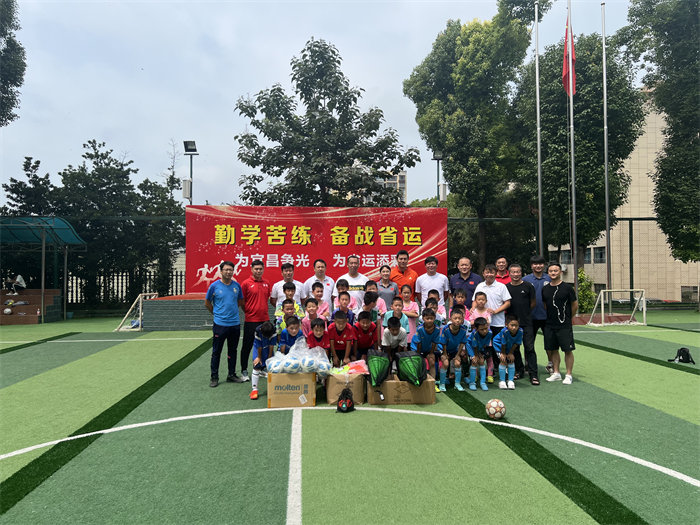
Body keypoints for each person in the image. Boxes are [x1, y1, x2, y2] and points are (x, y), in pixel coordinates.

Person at [204, 261, 244, 387]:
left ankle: (231, 374)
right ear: (221, 271)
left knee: (233, 351)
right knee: (216, 352)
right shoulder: (214, 286)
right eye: (226, 269)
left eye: (230, 270)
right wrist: (217, 314)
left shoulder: (237, 286)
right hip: (220, 325)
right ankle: (214, 377)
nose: (228, 272)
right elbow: (207, 303)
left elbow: (240, 301)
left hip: (235, 324)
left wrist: (231, 311)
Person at [541, 262, 578, 384]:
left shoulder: (567, 288)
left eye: (555, 271)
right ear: (548, 273)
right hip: (549, 324)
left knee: (567, 350)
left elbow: (574, 305)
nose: (553, 273)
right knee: (553, 349)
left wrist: (568, 318)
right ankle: (556, 373)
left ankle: (568, 374)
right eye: (551, 271)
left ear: (560, 272)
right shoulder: (545, 289)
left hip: (564, 325)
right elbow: (546, 305)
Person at [474, 263, 511, 383]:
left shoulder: (501, 286)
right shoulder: (480, 286)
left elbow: (507, 303)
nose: (489, 274)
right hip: (483, 325)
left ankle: (504, 370)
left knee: (499, 348)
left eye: (492, 272)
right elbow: (475, 301)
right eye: (487, 272)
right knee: (486, 349)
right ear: (483, 273)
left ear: (496, 274)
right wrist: (473, 311)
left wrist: (495, 311)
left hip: (498, 323)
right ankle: (490, 371)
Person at [506, 263, 538, 385]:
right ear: (509, 273)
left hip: (527, 322)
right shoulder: (506, 287)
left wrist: (525, 313)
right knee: (515, 348)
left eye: (518, 272)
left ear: (521, 273)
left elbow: (533, 303)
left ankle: (533, 374)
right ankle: (519, 370)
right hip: (512, 324)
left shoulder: (528, 286)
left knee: (529, 348)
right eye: (513, 272)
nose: (516, 274)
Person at [240, 260, 271, 382]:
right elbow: (242, 301)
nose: (258, 271)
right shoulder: (246, 283)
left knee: (264, 346)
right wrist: (249, 311)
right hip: (251, 321)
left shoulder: (267, 283)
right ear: (251, 269)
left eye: (260, 269)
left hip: (265, 320)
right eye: (256, 269)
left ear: (263, 269)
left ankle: (262, 368)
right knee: (247, 346)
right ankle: (244, 370)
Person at [523, 255, 552, 374]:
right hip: (530, 317)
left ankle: (551, 364)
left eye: (540, 264)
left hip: (547, 317)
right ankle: (528, 364)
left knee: (549, 342)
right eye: (535, 264)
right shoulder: (526, 279)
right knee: (528, 343)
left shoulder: (550, 278)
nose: (538, 266)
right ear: (531, 266)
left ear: (544, 265)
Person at [411, 308, 442, 393]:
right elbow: (418, 343)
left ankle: (433, 384)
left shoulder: (437, 329)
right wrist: (418, 355)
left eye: (431, 318)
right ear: (423, 318)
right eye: (427, 318)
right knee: (418, 363)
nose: (429, 320)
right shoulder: (420, 329)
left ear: (434, 318)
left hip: (428, 349)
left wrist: (431, 353)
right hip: (417, 348)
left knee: (432, 361)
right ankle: (417, 381)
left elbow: (434, 342)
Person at [439, 309, 469, 392]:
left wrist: (458, 355)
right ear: (450, 319)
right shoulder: (446, 329)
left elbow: (462, 343)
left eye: (460, 318)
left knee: (457, 363)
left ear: (462, 319)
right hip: (443, 349)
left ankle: (457, 383)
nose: (457, 320)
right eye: (455, 318)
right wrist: (445, 354)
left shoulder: (463, 330)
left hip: (454, 350)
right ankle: (442, 383)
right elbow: (443, 343)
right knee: (445, 363)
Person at [492, 315, 523, 390]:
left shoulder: (520, 331)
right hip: (499, 346)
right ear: (506, 324)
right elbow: (503, 344)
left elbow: (516, 343)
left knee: (511, 360)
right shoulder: (504, 331)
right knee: (503, 360)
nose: (514, 328)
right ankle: (502, 381)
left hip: (509, 346)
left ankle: (510, 381)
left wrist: (510, 353)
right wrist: (503, 354)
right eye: (512, 325)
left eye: (516, 325)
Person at [249, 320, 277, 400]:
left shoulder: (273, 330)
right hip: (258, 347)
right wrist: (259, 357)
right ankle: (254, 389)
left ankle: (274, 387)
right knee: (257, 365)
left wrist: (269, 357)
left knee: (271, 366)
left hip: (268, 347)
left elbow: (271, 346)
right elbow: (259, 346)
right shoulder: (258, 330)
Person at [466, 317, 492, 391]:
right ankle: (472, 383)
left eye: (486, 328)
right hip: (471, 347)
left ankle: (482, 383)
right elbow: (474, 345)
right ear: (476, 329)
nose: (484, 331)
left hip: (480, 348)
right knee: (474, 362)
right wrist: (475, 355)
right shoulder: (474, 333)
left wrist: (481, 353)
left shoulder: (490, 333)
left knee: (481, 361)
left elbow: (485, 344)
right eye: (481, 329)